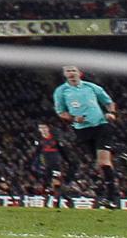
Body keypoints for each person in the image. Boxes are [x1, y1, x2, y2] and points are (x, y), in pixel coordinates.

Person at [53, 65, 119, 208]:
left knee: (104, 162)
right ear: (64, 74)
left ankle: (112, 197)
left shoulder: (91, 87)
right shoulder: (61, 91)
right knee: (99, 165)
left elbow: (108, 102)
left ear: (80, 73)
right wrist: (74, 118)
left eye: (73, 71)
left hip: (101, 126)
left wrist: (112, 113)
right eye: (68, 71)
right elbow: (61, 112)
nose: (71, 73)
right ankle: (110, 192)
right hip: (82, 130)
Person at [32, 123, 69, 208]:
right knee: (45, 184)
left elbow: (62, 151)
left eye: (44, 127)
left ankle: (56, 203)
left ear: (48, 128)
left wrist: (67, 161)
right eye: (41, 128)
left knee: (56, 183)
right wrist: (33, 164)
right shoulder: (39, 140)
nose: (43, 129)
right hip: (45, 165)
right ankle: (46, 203)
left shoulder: (55, 139)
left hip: (56, 164)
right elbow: (36, 153)